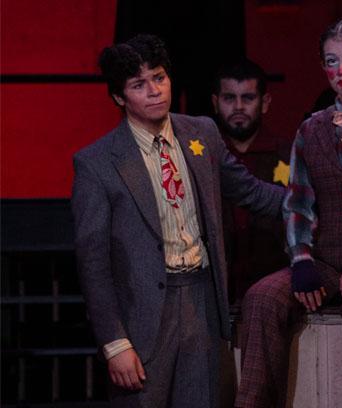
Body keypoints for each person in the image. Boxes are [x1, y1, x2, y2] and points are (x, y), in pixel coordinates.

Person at [71, 34, 284, 408]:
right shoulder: (98, 162)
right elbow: (93, 262)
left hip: (201, 297)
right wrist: (114, 342)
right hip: (144, 312)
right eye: (139, 84)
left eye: (159, 77)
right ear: (120, 97)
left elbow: (251, 192)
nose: (154, 91)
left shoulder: (200, 132)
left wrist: (312, 206)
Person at [235, 19, 342, 408]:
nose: (340, 71)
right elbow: (298, 202)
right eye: (331, 61)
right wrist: (301, 259)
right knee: (261, 298)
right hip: (323, 260)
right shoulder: (311, 129)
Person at [211, 60, 290, 308]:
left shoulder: (289, 154)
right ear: (215, 102)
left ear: (265, 102)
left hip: (274, 294)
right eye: (229, 98)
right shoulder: (202, 157)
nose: (238, 107)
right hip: (214, 297)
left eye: (247, 98)